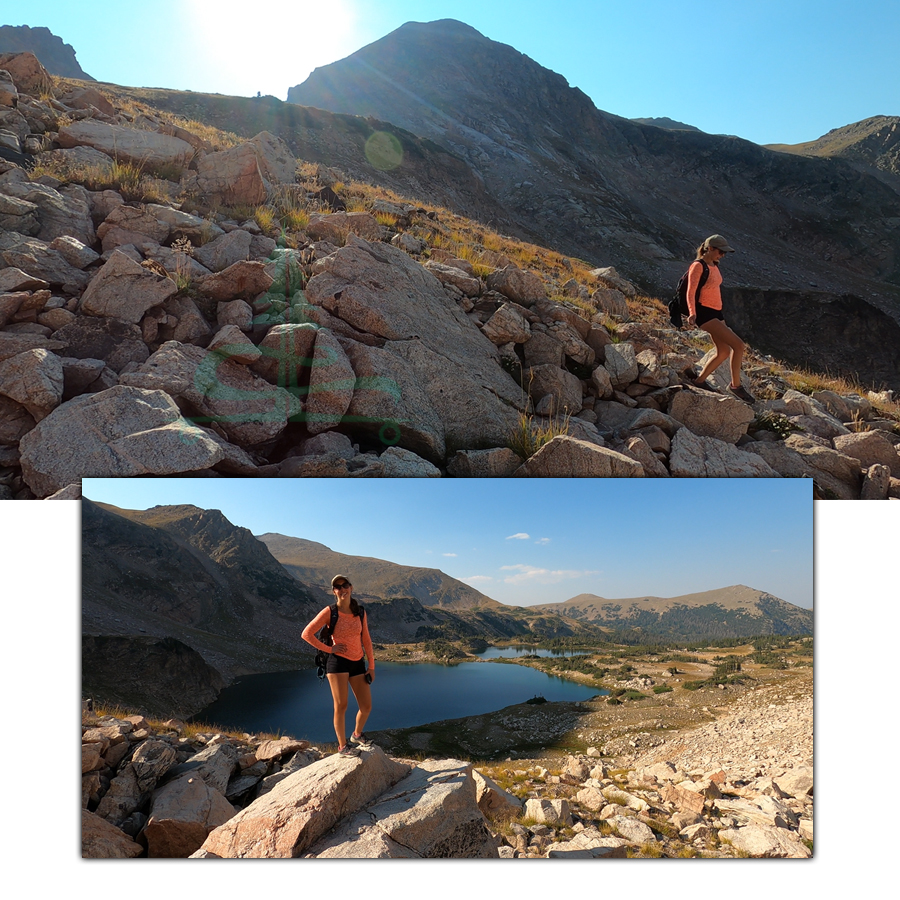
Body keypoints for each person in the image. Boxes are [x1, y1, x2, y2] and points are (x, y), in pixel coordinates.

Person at [302, 575, 375, 757]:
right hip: (337, 663)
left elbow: (366, 639)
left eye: (345, 585)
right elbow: (306, 633)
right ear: (334, 591)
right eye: (338, 587)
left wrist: (371, 666)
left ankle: (357, 735)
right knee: (341, 705)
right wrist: (329, 648)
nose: (342, 589)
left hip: (358, 661)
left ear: (351, 587)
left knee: (366, 706)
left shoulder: (360, 612)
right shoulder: (330, 611)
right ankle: (342, 747)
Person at [685, 235, 755, 403]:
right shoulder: (698, 266)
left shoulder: (713, 265)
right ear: (709, 248)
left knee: (724, 352)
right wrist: (692, 312)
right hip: (704, 313)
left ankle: (699, 381)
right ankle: (735, 386)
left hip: (716, 312)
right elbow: (690, 291)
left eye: (724, 253)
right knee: (738, 345)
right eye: (720, 251)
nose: (722, 255)